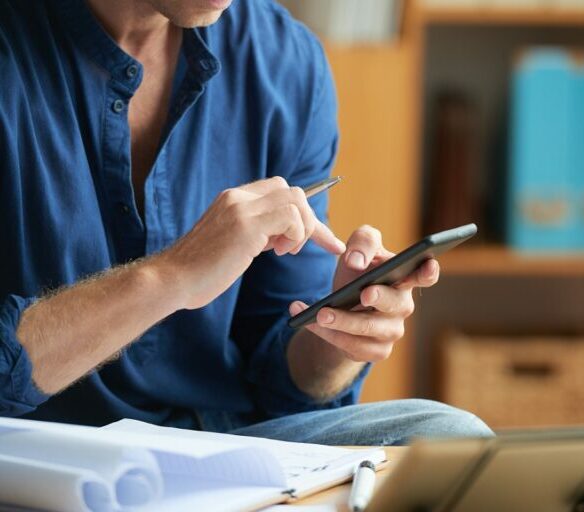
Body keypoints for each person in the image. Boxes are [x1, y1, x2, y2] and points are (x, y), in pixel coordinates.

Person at [0, 0, 491, 445]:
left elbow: (283, 383)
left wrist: (340, 336)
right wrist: (174, 276)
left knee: (454, 440)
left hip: (228, 446)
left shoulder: (285, 61)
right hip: (42, 451)